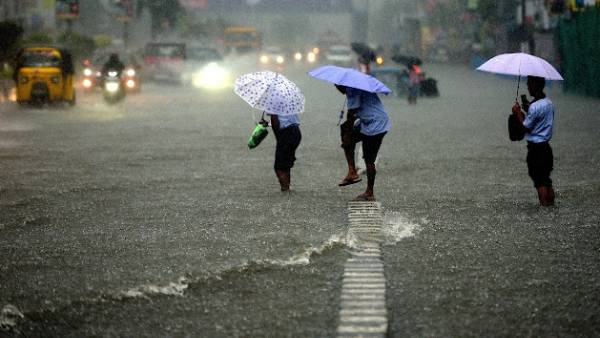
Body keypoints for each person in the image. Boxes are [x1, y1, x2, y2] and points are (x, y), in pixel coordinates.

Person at [336, 84, 391, 201]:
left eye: (338, 86)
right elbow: (350, 117)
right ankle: (352, 171)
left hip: (376, 124)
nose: (338, 89)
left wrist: (347, 134)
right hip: (367, 121)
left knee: (369, 158)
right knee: (345, 132)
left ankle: (369, 192)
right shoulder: (352, 88)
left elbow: (352, 113)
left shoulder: (352, 89)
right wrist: (346, 133)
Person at [511, 75, 555, 206]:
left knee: (539, 181)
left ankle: (544, 209)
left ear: (536, 85)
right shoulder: (548, 103)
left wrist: (518, 113)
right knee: (546, 179)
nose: (527, 86)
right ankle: (551, 207)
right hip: (547, 148)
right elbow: (539, 118)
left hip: (536, 150)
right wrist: (527, 108)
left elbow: (525, 128)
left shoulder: (535, 107)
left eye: (529, 84)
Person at [266, 112, 302, 191]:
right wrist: (268, 124)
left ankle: (285, 188)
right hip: (296, 132)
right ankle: (287, 186)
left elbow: (275, 120)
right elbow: (286, 120)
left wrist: (279, 139)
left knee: (279, 166)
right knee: (286, 162)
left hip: (285, 133)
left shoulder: (272, 101)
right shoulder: (290, 99)